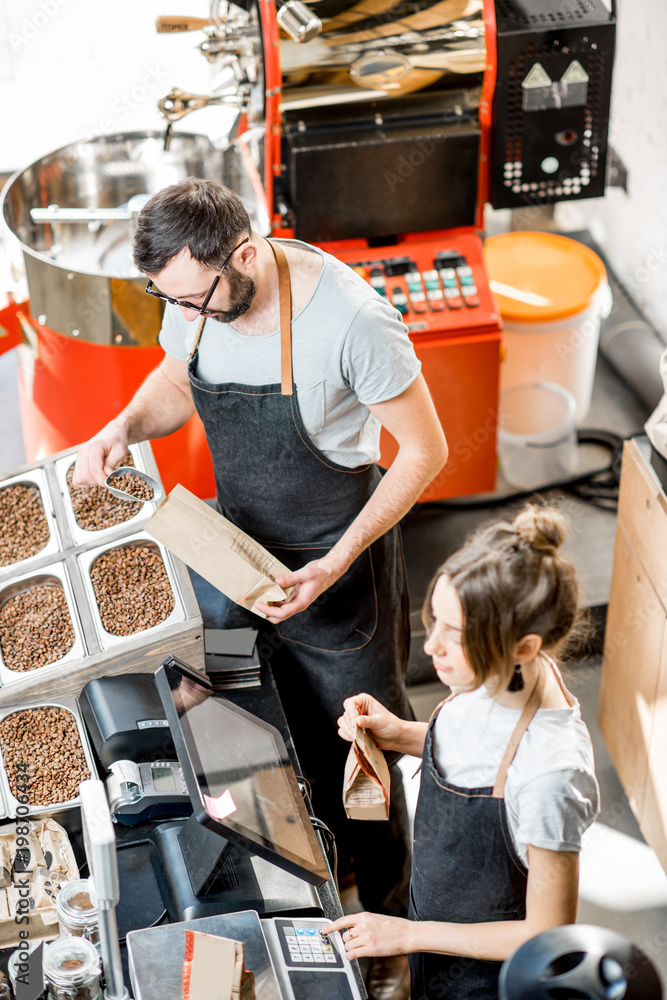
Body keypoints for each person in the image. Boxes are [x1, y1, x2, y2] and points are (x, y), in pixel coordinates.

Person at [74, 179, 448, 999]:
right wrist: (120, 427)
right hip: (239, 555)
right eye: (172, 300)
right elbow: (176, 381)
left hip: (333, 566)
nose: (190, 314)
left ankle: (389, 925)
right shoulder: (195, 293)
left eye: (197, 298)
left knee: (363, 759)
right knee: (270, 740)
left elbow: (424, 451)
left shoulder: (351, 321)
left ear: (242, 254)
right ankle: (317, 904)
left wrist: (337, 561)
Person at [326, 505, 600, 1000]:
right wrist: (398, 733)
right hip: (436, 936)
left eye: (455, 638)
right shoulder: (501, 675)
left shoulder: (551, 778)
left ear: (524, 646)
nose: (430, 647)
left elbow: (544, 933)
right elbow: (479, 748)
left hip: (485, 980)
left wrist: (409, 935)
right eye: (435, 623)